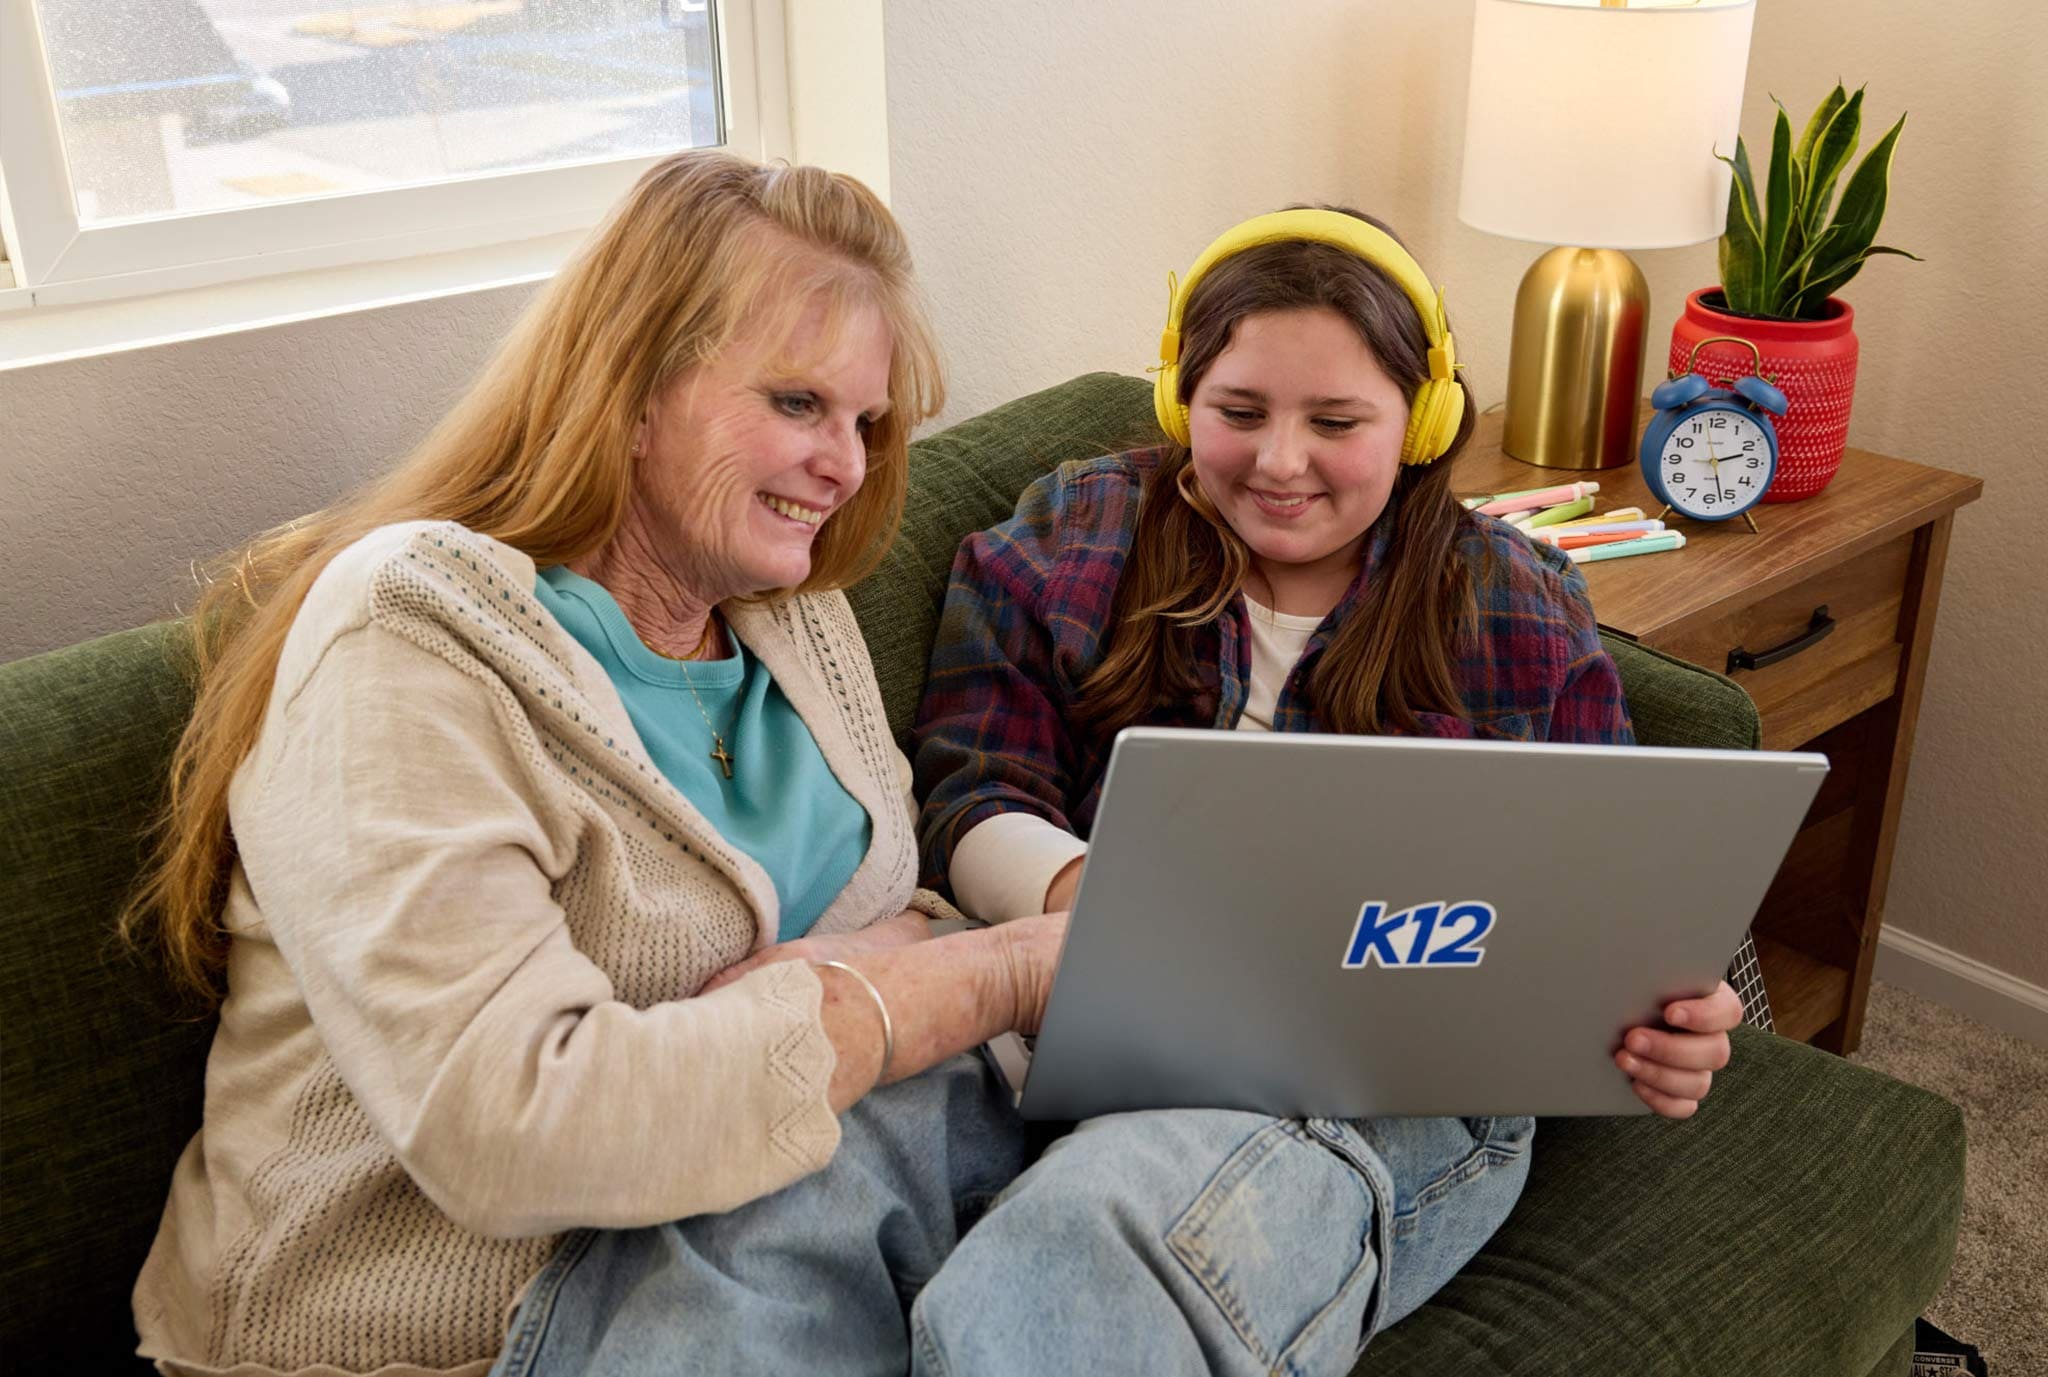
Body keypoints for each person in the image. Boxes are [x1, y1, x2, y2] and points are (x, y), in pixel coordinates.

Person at [123, 149, 1073, 1377]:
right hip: (460, 1344)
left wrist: (864, 967)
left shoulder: (791, 615)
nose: (844, 465)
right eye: (796, 404)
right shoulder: (413, 638)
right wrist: (977, 982)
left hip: (778, 1270)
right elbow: (517, 1126)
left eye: (864, 422)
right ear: (627, 387)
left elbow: (891, 914)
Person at [909, 208, 1745, 1369]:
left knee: (1097, 1219)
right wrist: (1099, 908)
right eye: (1237, 413)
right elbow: (968, 785)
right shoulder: (1067, 534)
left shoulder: (1515, 602)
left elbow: (1611, 889)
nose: (1280, 460)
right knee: (834, 1154)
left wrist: (1669, 1014)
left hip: (1393, 1083)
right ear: (1176, 399)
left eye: (1336, 421)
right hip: (1084, 999)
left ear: (1421, 421)